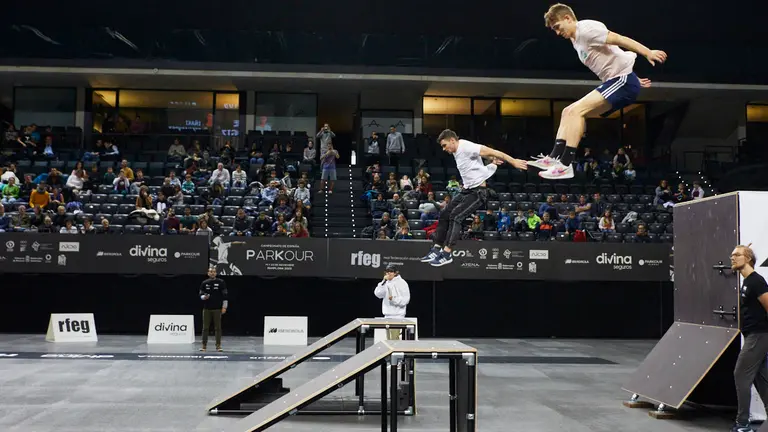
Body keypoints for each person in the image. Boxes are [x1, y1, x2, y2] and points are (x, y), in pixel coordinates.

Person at [529, 3, 667, 180]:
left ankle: (565, 165)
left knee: (576, 111)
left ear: (567, 18)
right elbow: (613, 56)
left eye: (557, 27)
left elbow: (620, 39)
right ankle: (554, 158)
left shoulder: (587, 30)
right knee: (567, 112)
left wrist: (647, 52)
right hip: (621, 80)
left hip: (621, 81)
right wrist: (634, 77)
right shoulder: (575, 39)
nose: (557, 33)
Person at [420, 129, 527, 267]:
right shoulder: (456, 151)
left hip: (478, 192)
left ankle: (446, 254)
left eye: (444, 145)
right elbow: (477, 165)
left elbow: (493, 151)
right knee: (445, 214)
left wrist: (513, 162)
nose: (444, 149)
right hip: (467, 189)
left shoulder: (466, 147)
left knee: (455, 216)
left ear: (452, 140)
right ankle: (436, 249)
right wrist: (492, 162)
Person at [731, 244, 768, 432]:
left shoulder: (756, 281)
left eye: (737, 254)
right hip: (754, 336)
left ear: (748, 258)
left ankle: (743, 424)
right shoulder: (746, 282)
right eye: (732, 255)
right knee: (761, 378)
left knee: (740, 374)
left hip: (759, 336)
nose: (732, 257)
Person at [373, 265, 411, 340]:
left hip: (397, 316)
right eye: (387, 272)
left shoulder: (402, 283)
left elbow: (406, 299)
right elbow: (378, 294)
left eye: (391, 271)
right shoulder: (385, 283)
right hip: (387, 315)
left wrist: (394, 300)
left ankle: (397, 351)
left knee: (394, 339)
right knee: (389, 340)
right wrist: (383, 282)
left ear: (396, 273)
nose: (389, 273)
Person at [199, 267, 229, 352]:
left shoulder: (221, 282)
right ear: (208, 273)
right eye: (211, 272)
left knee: (218, 328)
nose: (212, 273)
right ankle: (204, 346)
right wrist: (204, 297)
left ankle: (218, 346)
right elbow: (200, 294)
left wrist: (224, 307)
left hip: (217, 309)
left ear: (216, 273)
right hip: (207, 309)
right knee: (205, 328)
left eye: (214, 272)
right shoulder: (204, 283)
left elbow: (225, 296)